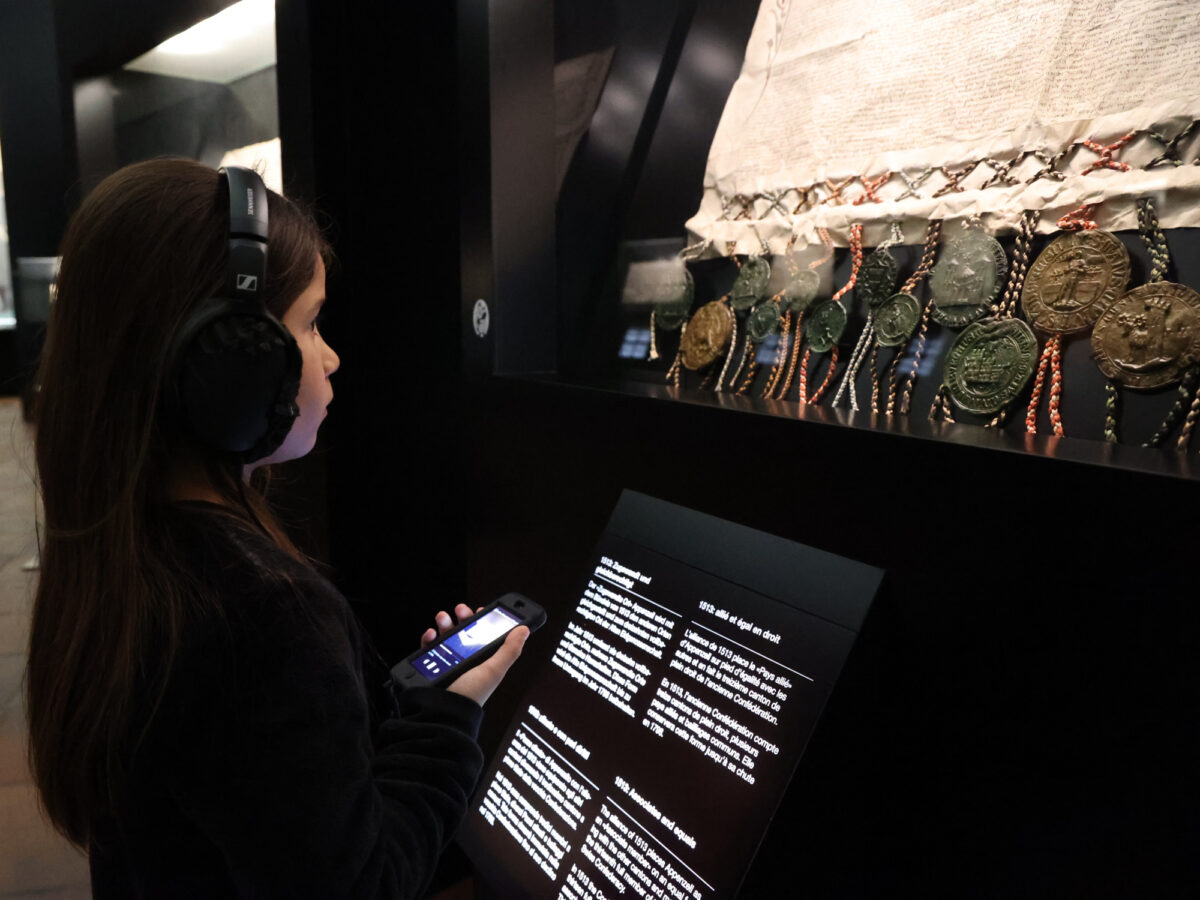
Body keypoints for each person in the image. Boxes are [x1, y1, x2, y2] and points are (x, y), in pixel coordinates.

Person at [25, 158, 527, 898]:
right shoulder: (264, 613)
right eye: (311, 322)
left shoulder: (124, 550)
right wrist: (449, 724)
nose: (332, 356)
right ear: (231, 363)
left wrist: (407, 720)